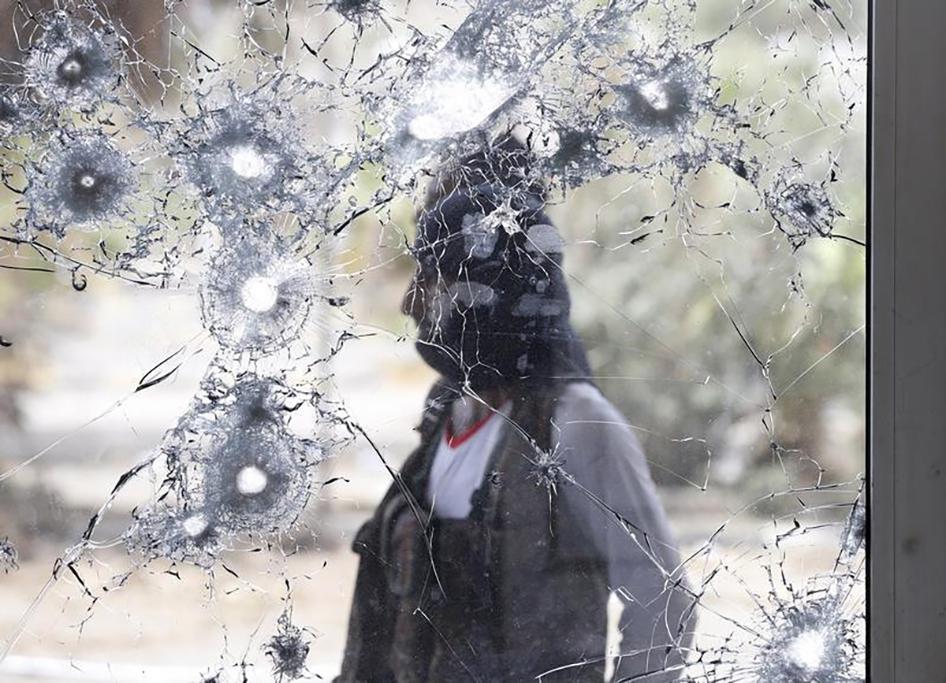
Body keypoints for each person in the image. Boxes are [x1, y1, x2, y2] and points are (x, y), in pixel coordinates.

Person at [336, 137, 694, 682]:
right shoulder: (448, 416)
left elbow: (664, 603)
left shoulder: (575, 424)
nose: (411, 304)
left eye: (434, 281)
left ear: (490, 290)